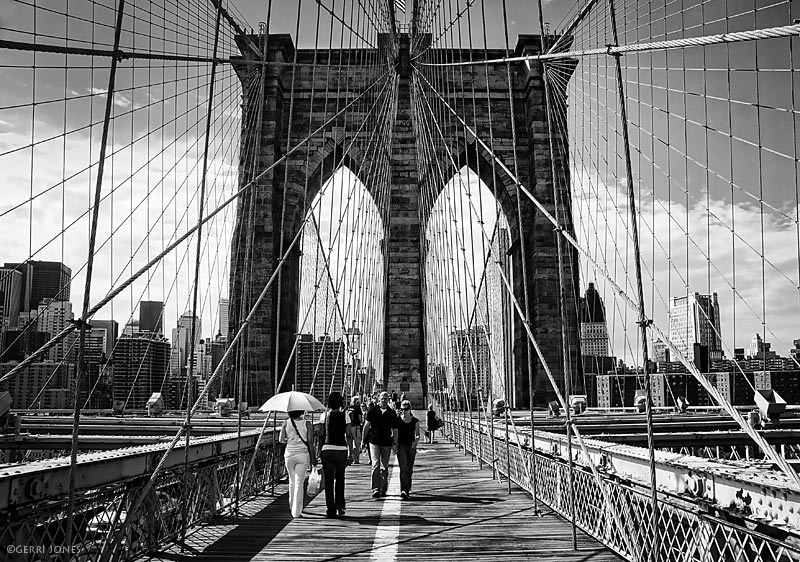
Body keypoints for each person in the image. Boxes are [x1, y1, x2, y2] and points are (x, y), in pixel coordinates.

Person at [317, 392, 351, 518]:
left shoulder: (324, 416)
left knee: (329, 481)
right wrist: (351, 452)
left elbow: (321, 435)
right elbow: (348, 435)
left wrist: (319, 451)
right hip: (341, 450)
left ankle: (330, 509)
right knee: (340, 479)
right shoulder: (345, 415)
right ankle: (340, 506)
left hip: (327, 450)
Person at [361, 391, 399, 498]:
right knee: (375, 465)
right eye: (382, 398)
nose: (384, 400)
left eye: (386, 399)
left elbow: (395, 430)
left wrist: (395, 443)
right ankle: (376, 488)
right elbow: (366, 426)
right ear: (379, 399)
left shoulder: (391, 413)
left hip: (387, 442)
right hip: (374, 441)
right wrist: (363, 440)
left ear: (388, 400)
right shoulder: (372, 411)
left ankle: (383, 488)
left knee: (384, 466)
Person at [278, 409, 315, 518]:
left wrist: (290, 439)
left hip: (289, 454)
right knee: (299, 482)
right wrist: (313, 457)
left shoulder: (286, 423)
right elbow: (310, 442)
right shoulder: (307, 424)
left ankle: (291, 505)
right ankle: (296, 511)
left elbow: (281, 440)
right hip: (302, 455)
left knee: (292, 481)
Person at [396, 400, 423, 500]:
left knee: (409, 469)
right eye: (402, 409)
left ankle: (408, 485)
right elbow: (394, 432)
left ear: (410, 409)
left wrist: (415, 442)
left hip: (411, 446)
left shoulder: (414, 421)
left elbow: (417, 434)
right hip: (401, 446)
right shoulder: (398, 420)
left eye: (406, 409)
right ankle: (404, 490)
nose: (404, 411)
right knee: (403, 468)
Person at [346, 396, 363, 464]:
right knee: (357, 443)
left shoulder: (347, 408)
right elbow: (360, 419)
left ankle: (350, 458)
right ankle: (356, 459)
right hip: (355, 427)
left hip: (348, 427)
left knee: (349, 443)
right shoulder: (357, 408)